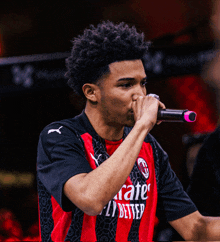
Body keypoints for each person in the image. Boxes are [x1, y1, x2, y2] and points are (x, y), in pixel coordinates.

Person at [37, 21, 220, 242]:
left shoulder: (149, 148)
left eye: (142, 83)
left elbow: (197, 229)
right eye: (126, 85)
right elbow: (91, 199)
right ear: (91, 92)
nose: (140, 95)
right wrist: (142, 125)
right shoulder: (60, 136)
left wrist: (141, 132)